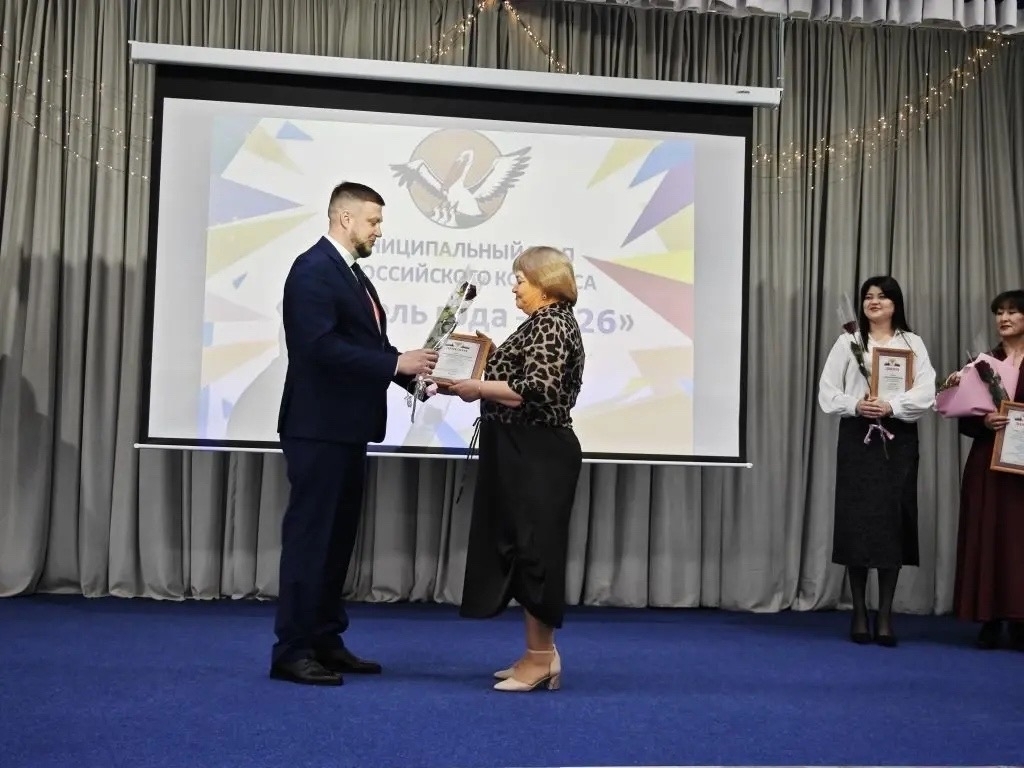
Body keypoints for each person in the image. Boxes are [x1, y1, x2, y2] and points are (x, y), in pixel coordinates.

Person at [270, 182, 438, 686]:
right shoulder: (312, 270)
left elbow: (368, 347)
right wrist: (394, 363)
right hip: (318, 429)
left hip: (345, 429)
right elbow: (316, 348)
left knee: (336, 541)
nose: (379, 231)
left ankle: (325, 640)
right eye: (373, 221)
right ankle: (292, 651)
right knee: (311, 541)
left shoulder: (350, 273)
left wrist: (412, 376)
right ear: (344, 219)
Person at [445, 246, 585, 692]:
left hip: (537, 452)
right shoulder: (543, 323)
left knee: (534, 553)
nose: (514, 287)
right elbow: (523, 377)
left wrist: (478, 386)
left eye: (521, 280)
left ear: (545, 283)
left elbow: (536, 388)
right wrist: (483, 360)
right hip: (521, 450)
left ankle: (541, 660)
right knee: (524, 549)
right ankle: (538, 653)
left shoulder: (551, 323)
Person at [817, 276, 936, 647]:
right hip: (858, 437)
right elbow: (827, 391)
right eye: (868, 296)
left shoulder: (912, 343)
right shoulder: (849, 342)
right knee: (856, 522)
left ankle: (884, 615)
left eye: (882, 296)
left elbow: (927, 392)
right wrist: (856, 404)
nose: (874, 302)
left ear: (895, 303)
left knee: (891, 524)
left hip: (898, 439)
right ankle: (858, 612)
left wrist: (891, 405)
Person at [952, 289, 1024, 651]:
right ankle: (989, 617)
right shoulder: (983, 363)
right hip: (988, 460)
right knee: (988, 534)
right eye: (999, 312)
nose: (1004, 318)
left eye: (1012, 312)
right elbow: (963, 418)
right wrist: (985, 421)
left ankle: (1021, 618)